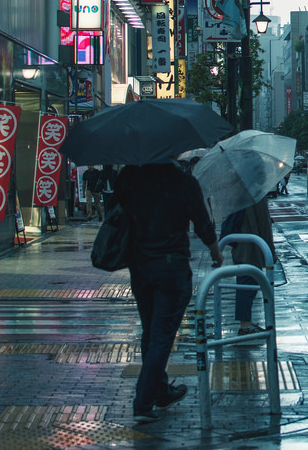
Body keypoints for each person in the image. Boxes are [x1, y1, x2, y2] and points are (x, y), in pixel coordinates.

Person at [115, 162, 223, 424]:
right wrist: (214, 250)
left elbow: (116, 214)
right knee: (161, 337)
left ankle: (161, 392)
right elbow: (201, 221)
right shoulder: (183, 182)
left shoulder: (129, 176)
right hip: (171, 268)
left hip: (140, 267)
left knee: (152, 332)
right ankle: (143, 402)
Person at [221, 198, 276, 336]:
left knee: (245, 283)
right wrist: (271, 252)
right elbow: (264, 225)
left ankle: (246, 322)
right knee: (248, 285)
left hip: (241, 246)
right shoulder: (256, 198)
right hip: (251, 248)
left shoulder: (240, 195)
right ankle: (244, 325)